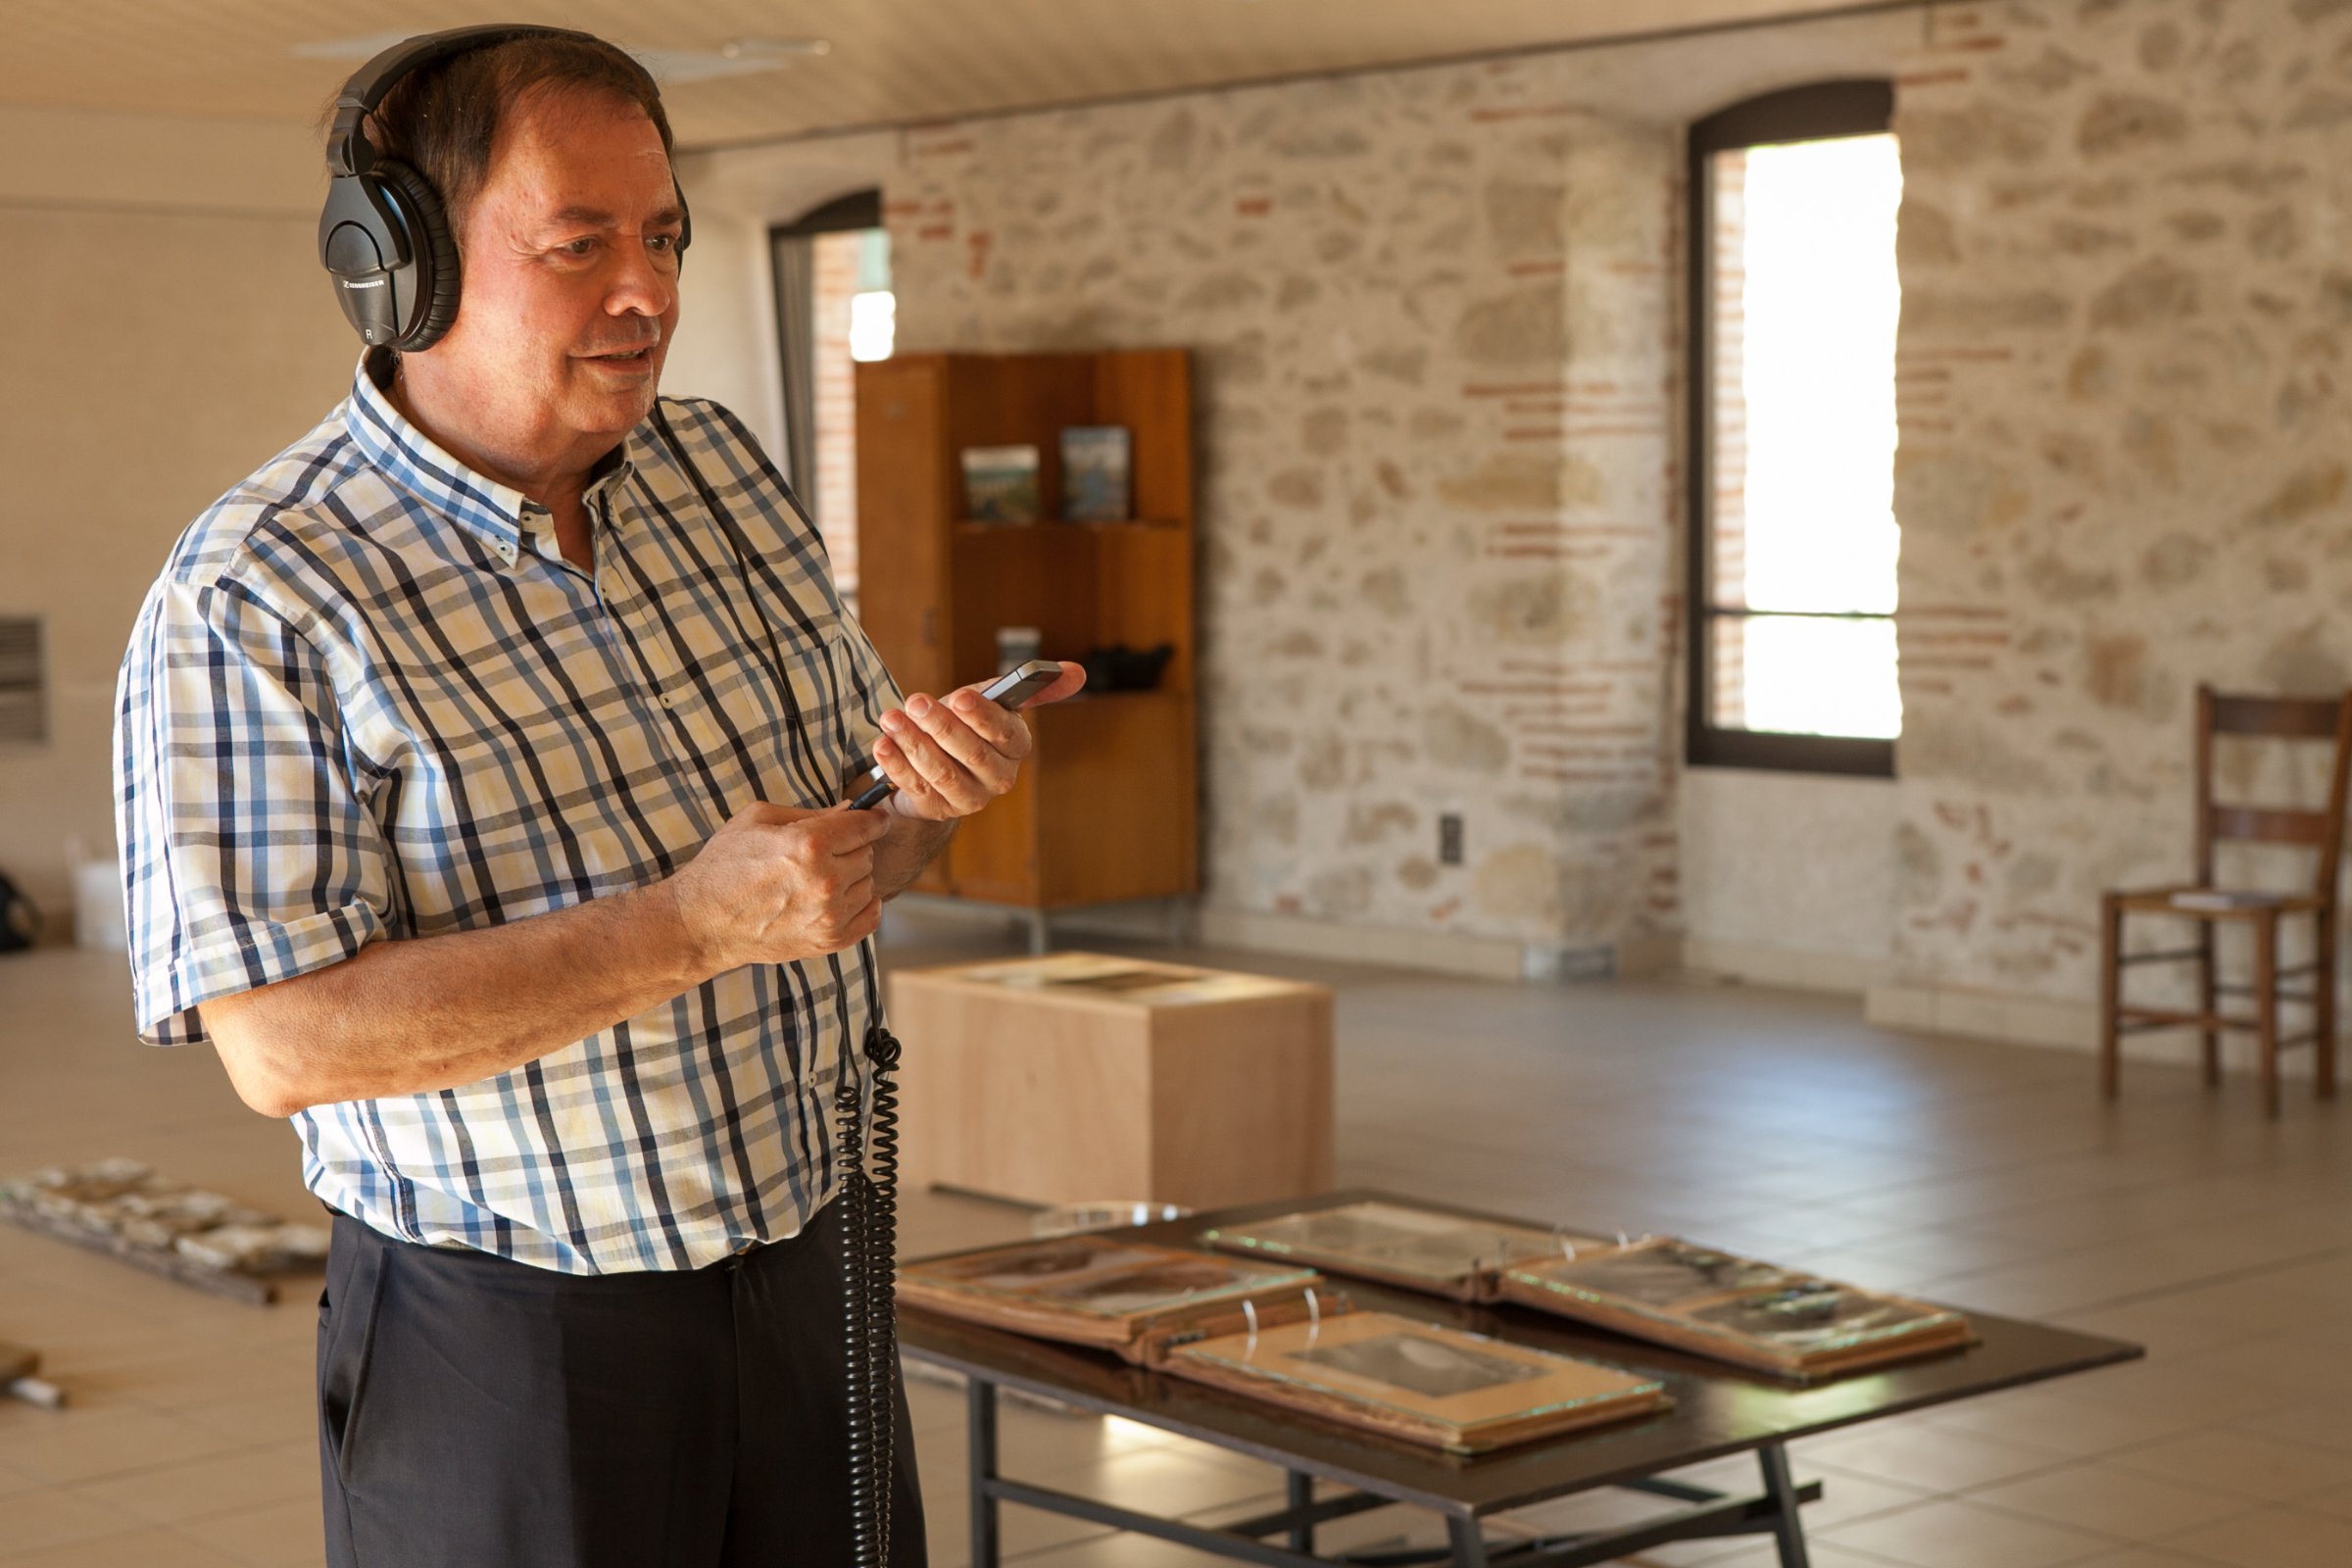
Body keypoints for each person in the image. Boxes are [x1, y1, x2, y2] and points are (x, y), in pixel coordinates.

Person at [112, 27, 1072, 1567]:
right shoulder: (257, 594)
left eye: (667, 236)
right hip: (511, 1346)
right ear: (398, 269)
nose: (651, 292)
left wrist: (935, 801)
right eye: (581, 246)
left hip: (809, 1271)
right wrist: (688, 927)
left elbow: (840, 853)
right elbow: (282, 1043)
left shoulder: (721, 471)